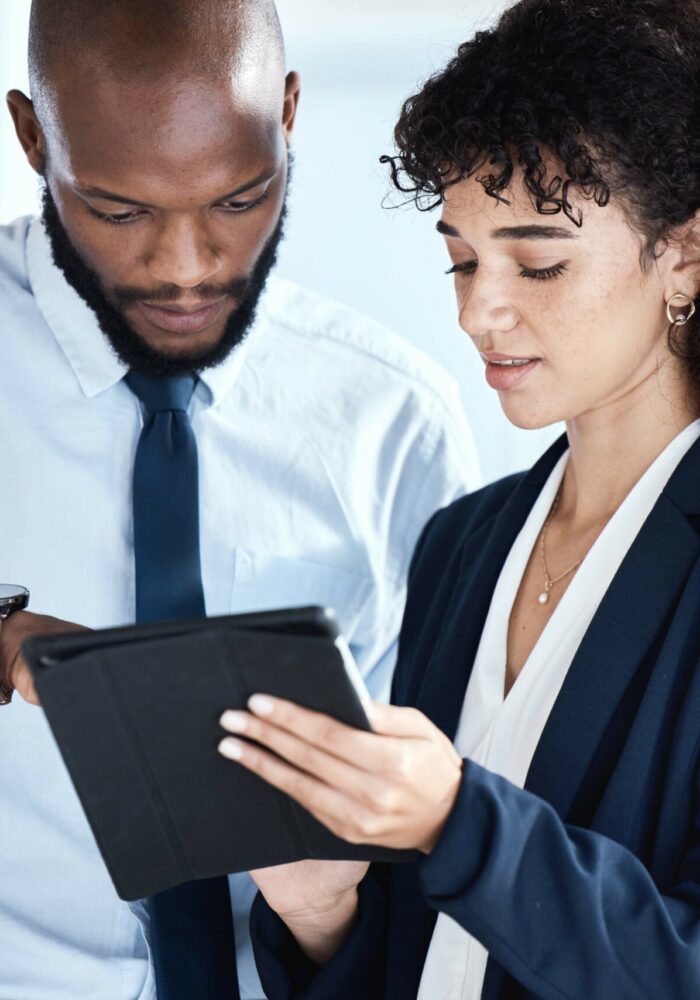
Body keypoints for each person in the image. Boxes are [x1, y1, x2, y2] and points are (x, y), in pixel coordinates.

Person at [217, 0, 700, 996]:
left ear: (684, 257)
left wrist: (457, 820)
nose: (479, 310)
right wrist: (321, 911)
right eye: (462, 260)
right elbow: (415, 956)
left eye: (538, 263)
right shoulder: (461, 544)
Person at [0, 1, 479, 998]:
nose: (187, 268)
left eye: (240, 197)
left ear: (289, 115)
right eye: (120, 211)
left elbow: (436, 847)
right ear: (33, 136)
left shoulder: (397, 426)